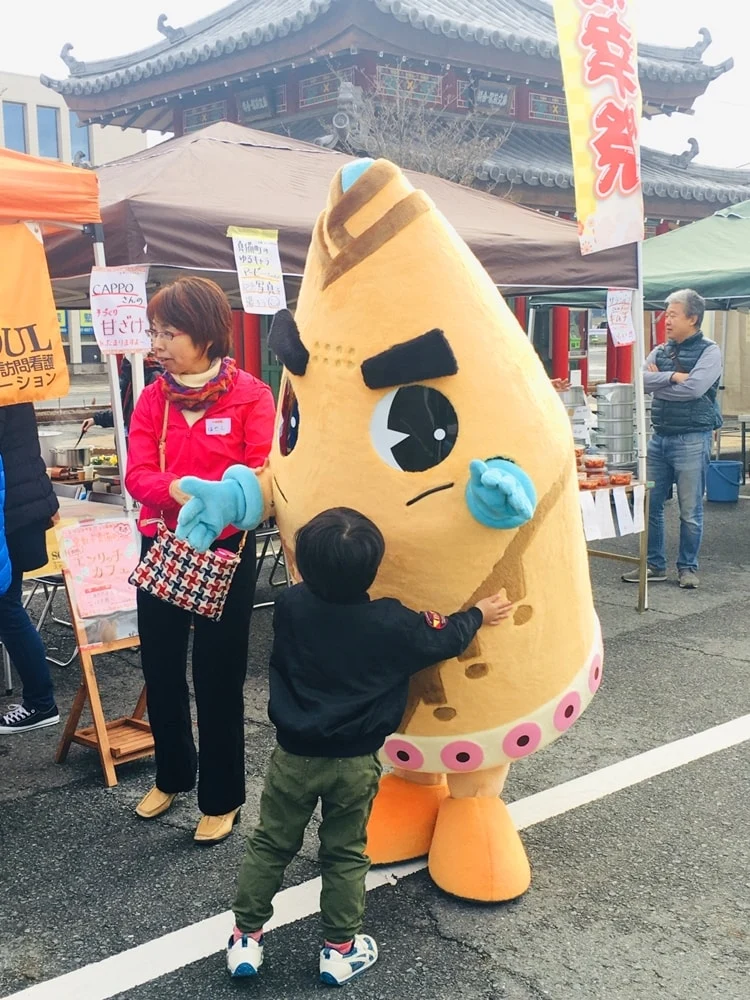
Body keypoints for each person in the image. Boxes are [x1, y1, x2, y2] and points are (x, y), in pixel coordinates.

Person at [225, 507, 513, 986]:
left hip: (293, 755)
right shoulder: (390, 622)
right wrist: (478, 614)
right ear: (375, 568)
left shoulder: (290, 605)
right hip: (354, 761)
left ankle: (245, 939)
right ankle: (339, 950)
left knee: (271, 843)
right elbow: (442, 637)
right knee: (344, 853)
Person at [125, 276, 275, 843]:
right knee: (160, 668)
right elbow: (137, 475)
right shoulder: (152, 398)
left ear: (206, 335)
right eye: (154, 333)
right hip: (164, 543)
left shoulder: (252, 396)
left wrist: (217, 505)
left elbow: (261, 476)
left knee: (218, 675)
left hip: (227, 550)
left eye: (169, 333)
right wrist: (188, 493)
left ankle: (221, 797)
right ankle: (171, 775)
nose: (157, 345)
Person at [622, 288, 722, 590]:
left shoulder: (710, 351)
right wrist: (672, 377)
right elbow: (639, 381)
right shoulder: (660, 351)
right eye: (666, 315)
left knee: (689, 510)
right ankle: (654, 564)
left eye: (673, 315)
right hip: (659, 438)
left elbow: (694, 390)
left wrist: (659, 385)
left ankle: (687, 567)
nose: (666, 321)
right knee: (649, 504)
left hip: (692, 438)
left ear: (692, 318)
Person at [0, 404, 61, 734]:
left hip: (12, 508)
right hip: (22, 501)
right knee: (7, 605)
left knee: (6, 607)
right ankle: (40, 700)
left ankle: (40, 702)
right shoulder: (14, 382)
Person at [79, 355, 164, 435]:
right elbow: (122, 412)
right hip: (130, 437)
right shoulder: (129, 376)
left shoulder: (152, 377)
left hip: (142, 438)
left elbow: (153, 417)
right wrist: (96, 419)